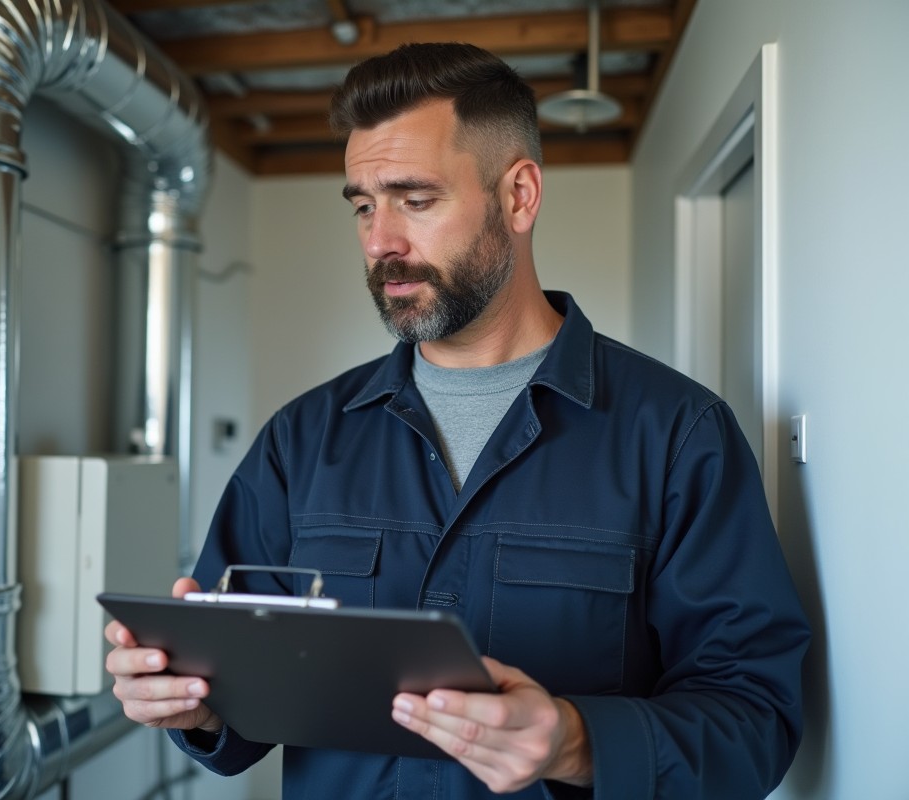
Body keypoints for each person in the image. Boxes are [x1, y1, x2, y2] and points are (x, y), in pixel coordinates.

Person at [105, 43, 810, 800]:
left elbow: (754, 718)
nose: (381, 243)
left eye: (415, 199)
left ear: (519, 196)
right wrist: (196, 705)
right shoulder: (300, 441)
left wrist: (574, 741)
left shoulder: (678, 437)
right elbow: (241, 703)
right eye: (364, 206)